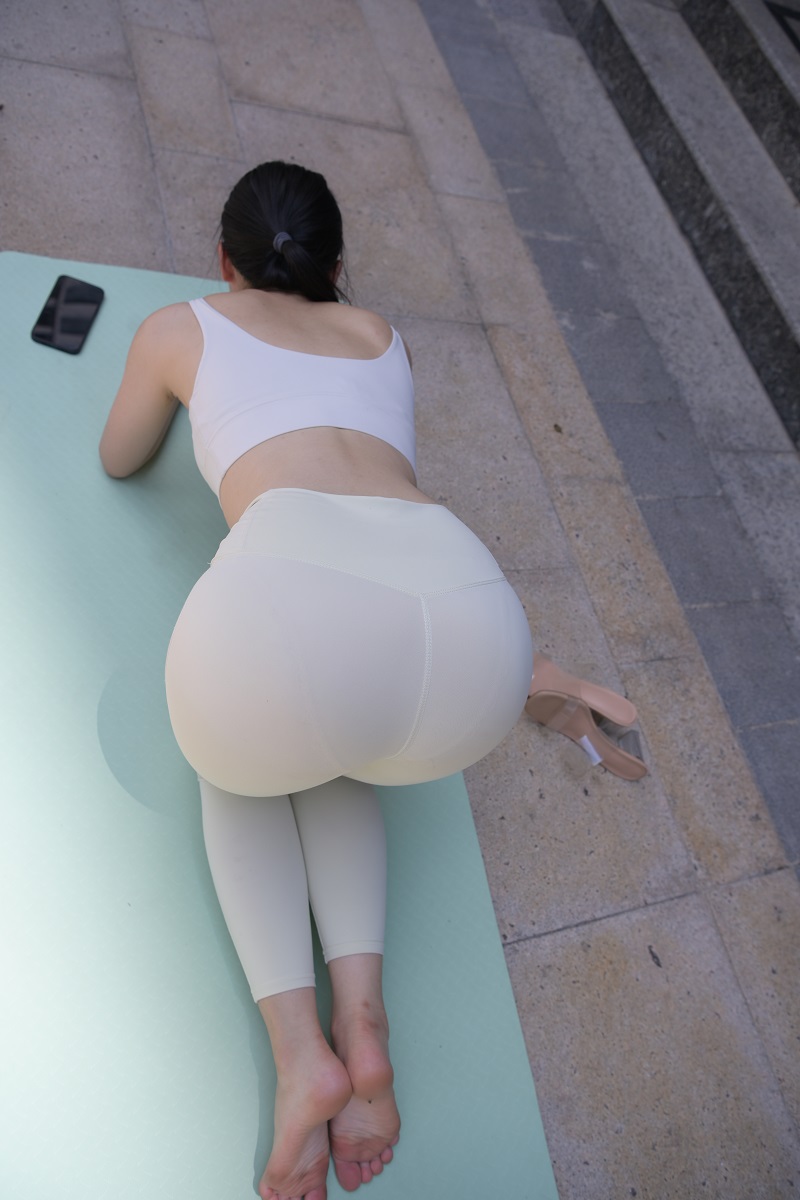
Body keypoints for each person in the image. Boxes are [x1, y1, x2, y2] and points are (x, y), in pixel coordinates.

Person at [100, 160, 644, 1200]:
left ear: (223, 260)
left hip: (301, 608)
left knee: (242, 762)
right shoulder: (380, 333)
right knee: (339, 747)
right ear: (338, 262)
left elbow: (120, 456)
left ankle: (301, 1054)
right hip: (471, 634)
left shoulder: (181, 326)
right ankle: (365, 1023)